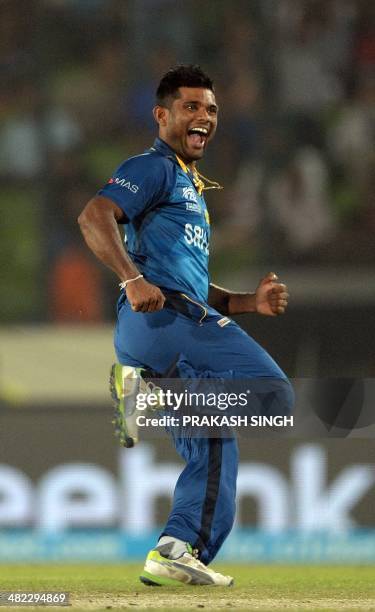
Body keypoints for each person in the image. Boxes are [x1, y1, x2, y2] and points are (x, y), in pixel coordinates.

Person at [78, 65, 293, 587]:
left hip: (161, 327)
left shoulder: (188, 185)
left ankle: (176, 548)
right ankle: (144, 397)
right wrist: (130, 279)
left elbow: (193, 285)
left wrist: (248, 303)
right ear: (162, 115)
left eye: (212, 109)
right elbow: (93, 215)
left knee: (216, 442)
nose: (204, 117)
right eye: (192, 107)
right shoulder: (153, 168)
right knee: (274, 397)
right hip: (161, 321)